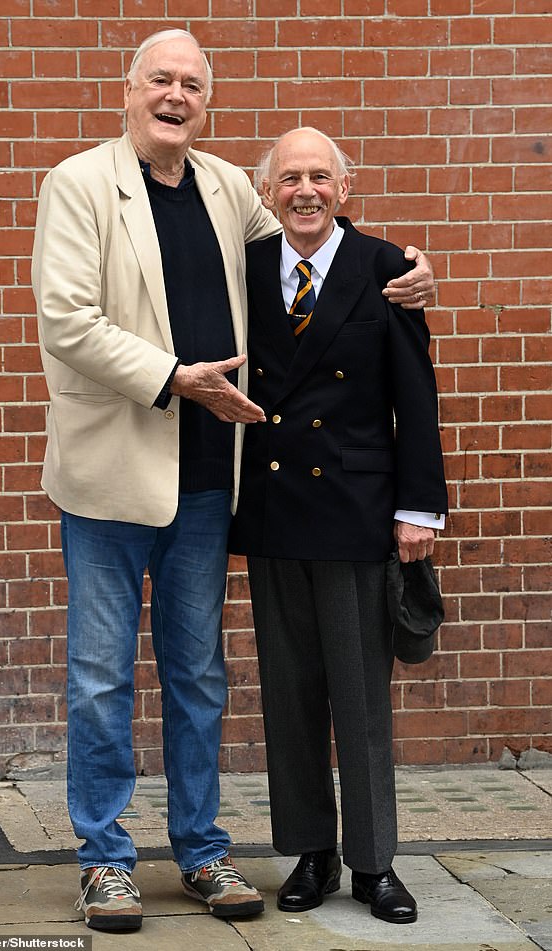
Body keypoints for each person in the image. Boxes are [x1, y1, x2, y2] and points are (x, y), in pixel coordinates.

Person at [31, 28, 435, 932]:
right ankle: (105, 860)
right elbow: (65, 319)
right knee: (101, 676)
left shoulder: (224, 187)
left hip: (211, 475)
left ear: (206, 103)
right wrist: (175, 377)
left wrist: (409, 267)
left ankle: (203, 850)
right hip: (111, 475)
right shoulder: (80, 183)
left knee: (198, 676)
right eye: (160, 81)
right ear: (128, 90)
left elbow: (318, 242)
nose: (176, 96)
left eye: (193, 85)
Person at [229, 127, 448, 925]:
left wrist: (418, 509)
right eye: (289, 178)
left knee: (361, 698)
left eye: (320, 176)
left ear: (344, 189)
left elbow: (413, 394)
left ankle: (374, 862)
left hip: (358, 512)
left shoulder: (386, 268)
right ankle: (310, 851)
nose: (305, 190)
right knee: (289, 694)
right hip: (276, 510)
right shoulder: (247, 269)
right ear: (267, 193)